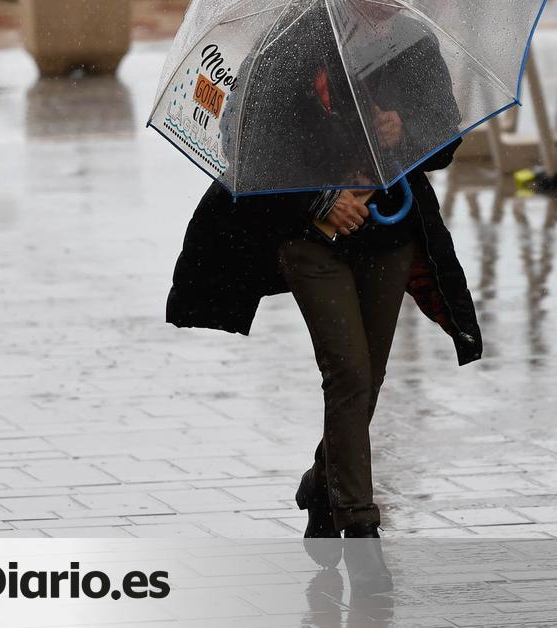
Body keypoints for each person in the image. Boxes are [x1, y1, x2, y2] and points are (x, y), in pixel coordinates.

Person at [165, 1, 483, 551]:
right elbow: (248, 144)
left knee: (369, 377)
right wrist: (320, 201)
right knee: (349, 372)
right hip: (309, 238)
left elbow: (444, 141)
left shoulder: (412, 41)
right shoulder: (293, 40)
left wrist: (401, 129)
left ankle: (322, 482)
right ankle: (359, 520)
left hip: (388, 231)